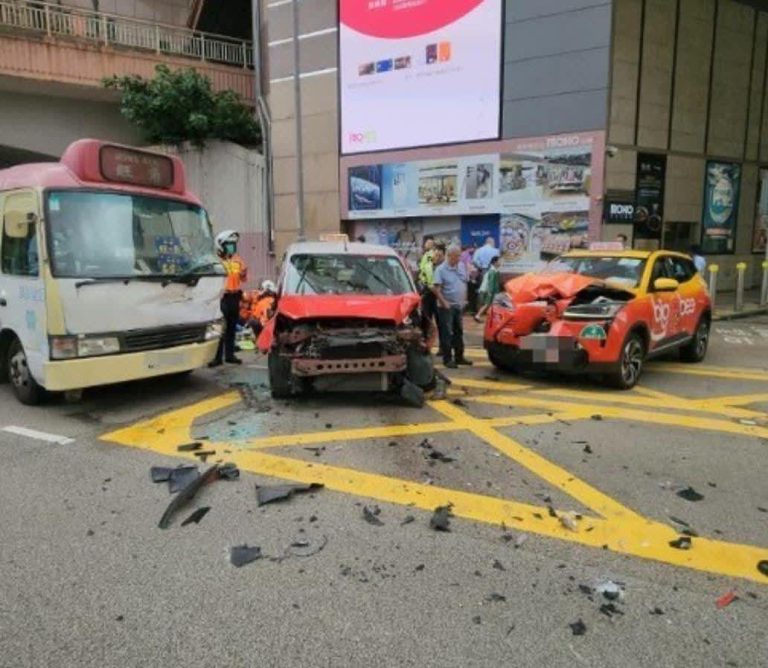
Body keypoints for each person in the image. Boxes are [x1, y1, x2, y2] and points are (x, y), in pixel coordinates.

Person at [433, 245, 473, 369]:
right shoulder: (440, 269)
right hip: (446, 306)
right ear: (450, 256)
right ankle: (447, 359)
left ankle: (459, 357)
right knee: (447, 333)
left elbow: (464, 283)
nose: (459, 258)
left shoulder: (461, 266)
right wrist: (444, 302)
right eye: (457, 256)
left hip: (458, 305)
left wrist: (465, 299)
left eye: (459, 256)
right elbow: (436, 289)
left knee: (458, 332)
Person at [211, 230, 247, 366]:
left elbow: (243, 277)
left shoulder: (238, 260)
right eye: (229, 245)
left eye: (233, 245)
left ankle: (230, 355)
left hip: (234, 297)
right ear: (221, 246)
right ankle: (216, 357)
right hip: (222, 298)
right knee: (219, 328)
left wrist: (243, 273)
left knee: (231, 327)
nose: (232, 248)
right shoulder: (216, 261)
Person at [474, 255, 501, 322]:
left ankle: (483, 316)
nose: (500, 262)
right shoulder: (493, 271)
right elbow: (491, 283)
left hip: (491, 291)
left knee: (489, 304)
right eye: (499, 261)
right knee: (487, 304)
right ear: (495, 262)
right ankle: (478, 315)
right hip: (491, 291)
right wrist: (491, 292)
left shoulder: (494, 271)